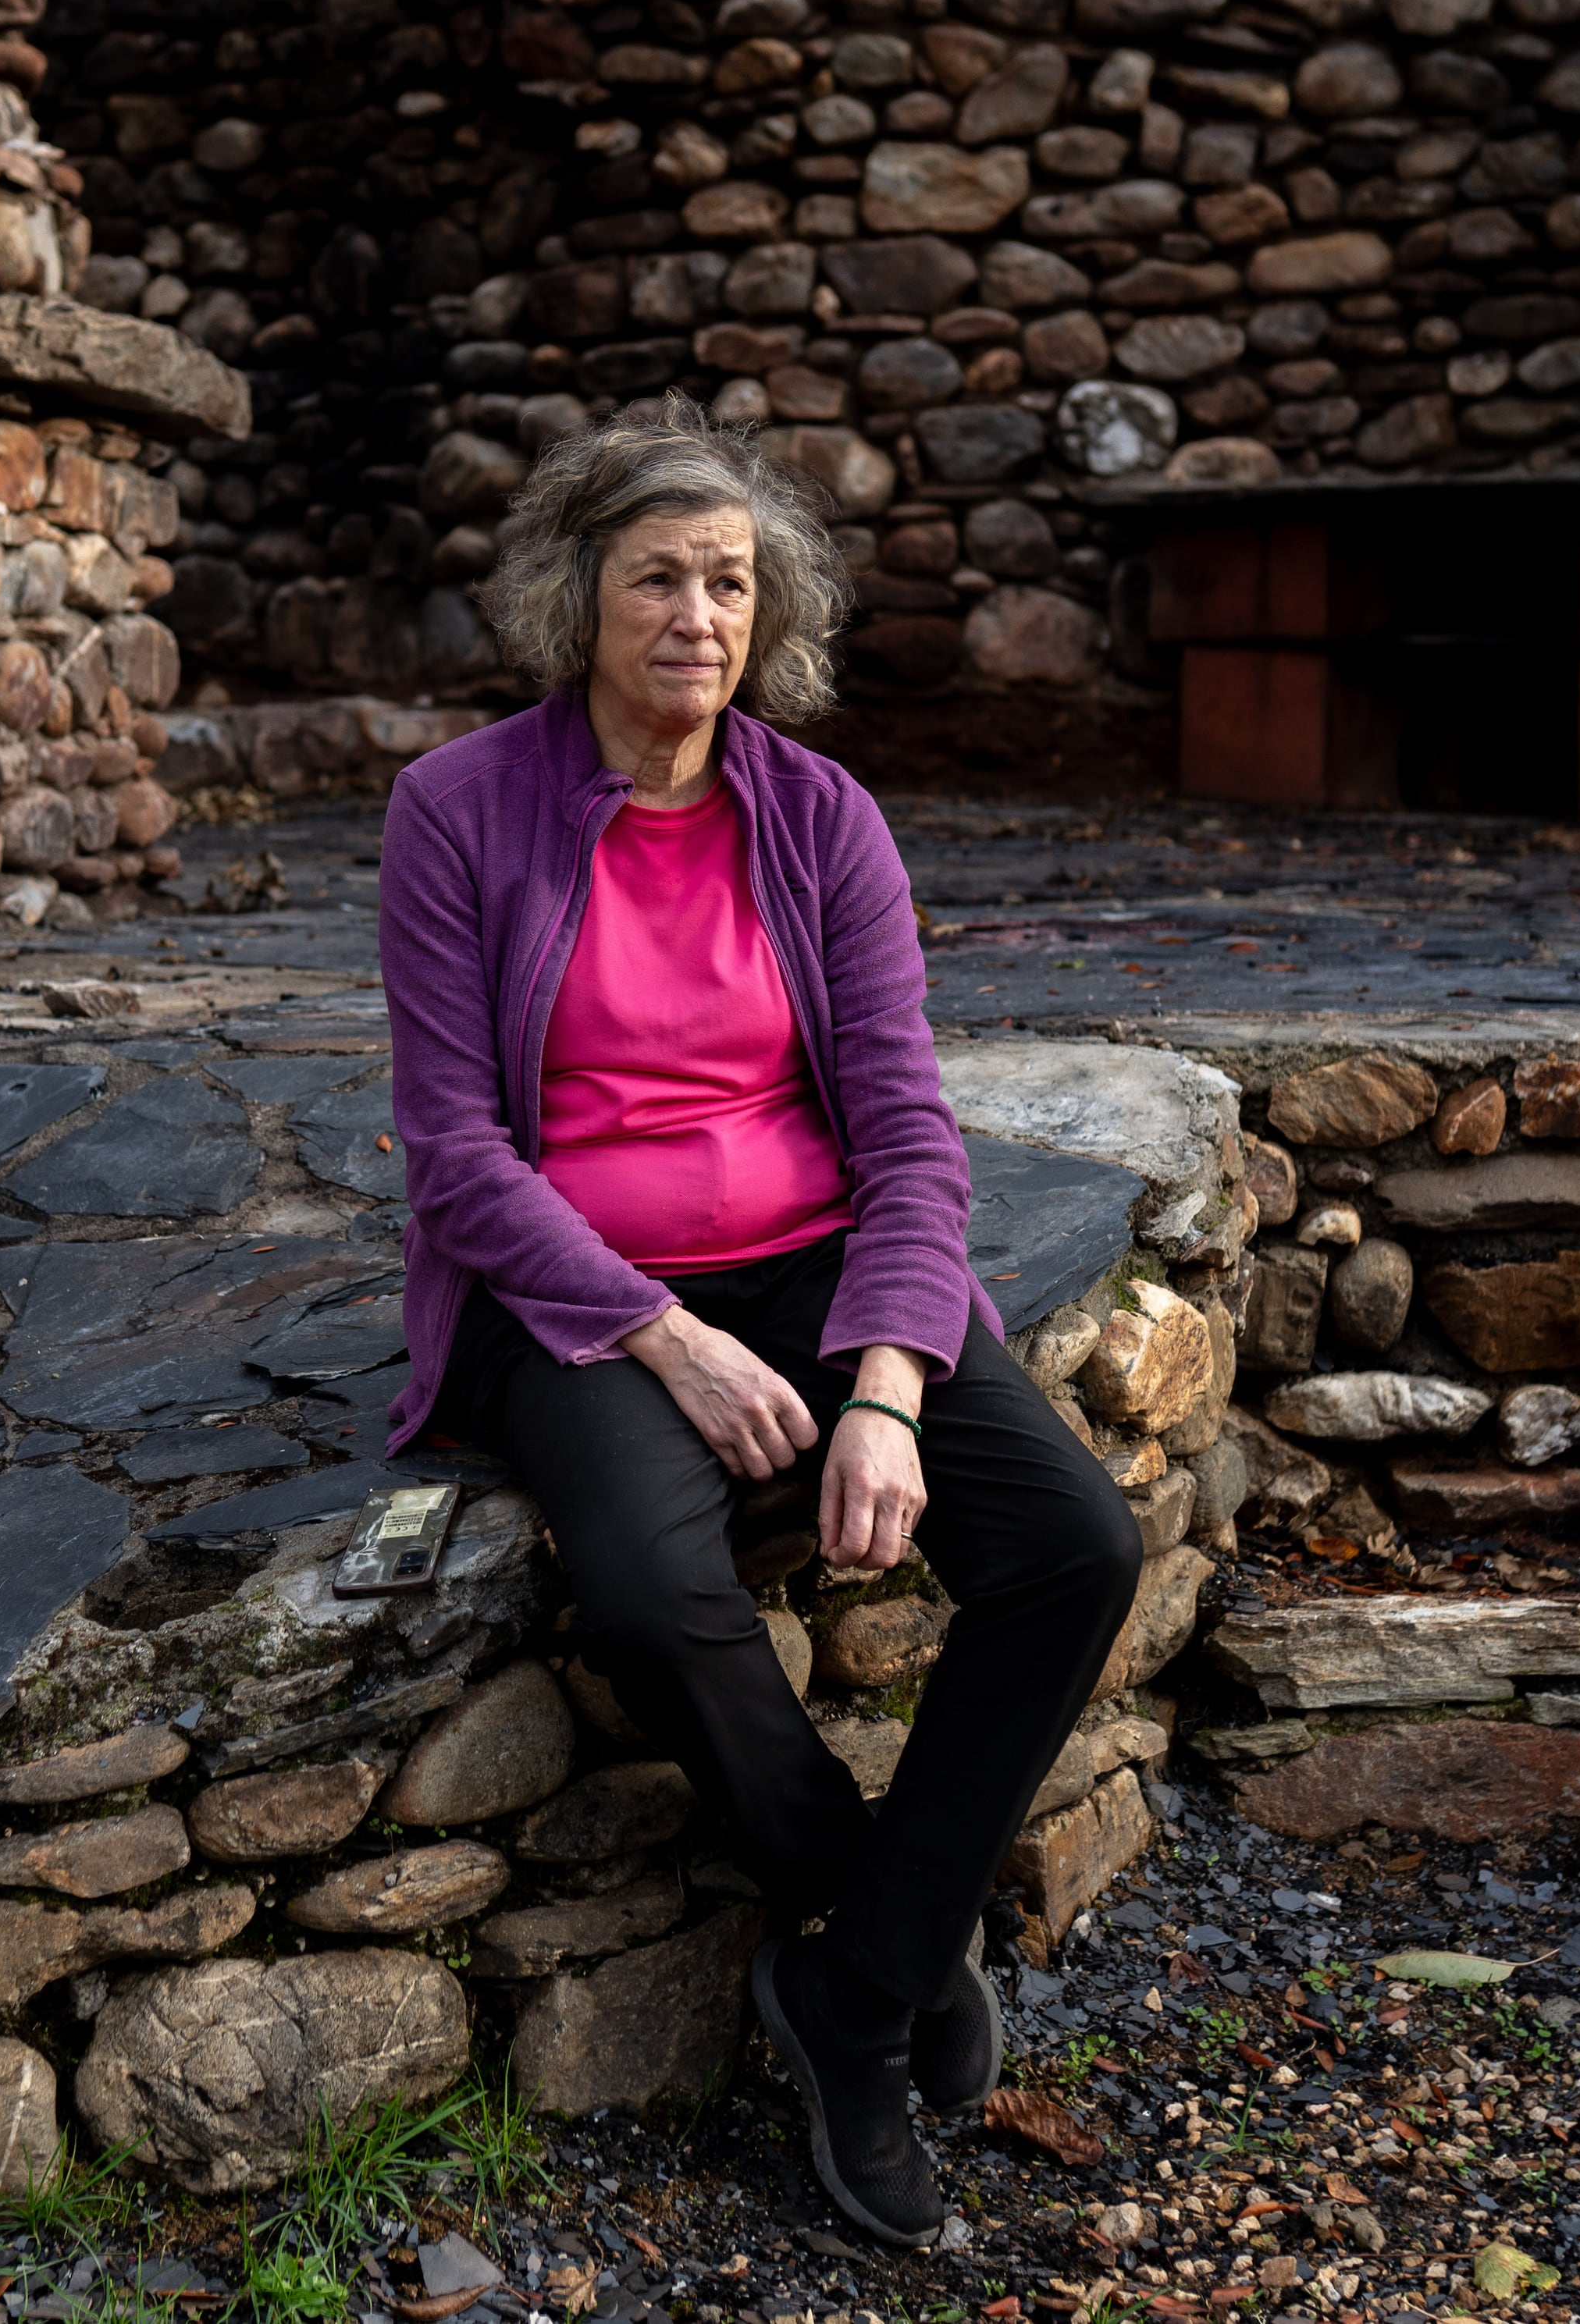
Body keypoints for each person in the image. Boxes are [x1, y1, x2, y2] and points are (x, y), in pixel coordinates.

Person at [377, 400, 1144, 2244]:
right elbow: (453, 1154)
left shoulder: (819, 818)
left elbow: (904, 1130)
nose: (696, 616)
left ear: (767, 609)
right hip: (566, 1284)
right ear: (577, 600)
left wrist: (884, 1380)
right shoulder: (457, 808)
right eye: (657, 576)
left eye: (729, 581)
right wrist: (662, 1331)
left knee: (1070, 1542)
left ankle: (853, 1981)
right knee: (646, 1581)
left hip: (820, 1258)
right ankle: (878, 1909)